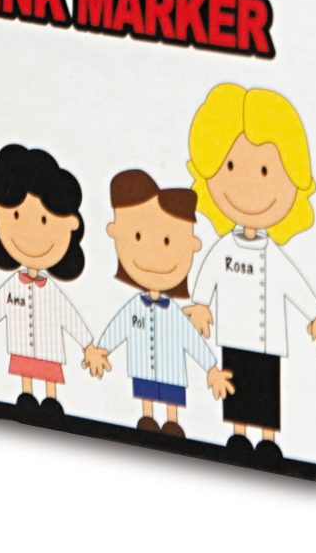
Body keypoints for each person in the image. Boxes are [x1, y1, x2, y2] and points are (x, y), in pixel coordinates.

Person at [185, 83, 316, 468]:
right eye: (230, 167)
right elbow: (207, 276)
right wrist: (200, 305)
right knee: (236, 387)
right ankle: (238, 435)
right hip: (233, 334)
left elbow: (295, 286)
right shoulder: (224, 248)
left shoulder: (273, 255)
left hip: (268, 340)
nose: (248, 186)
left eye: (267, 170)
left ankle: (267, 440)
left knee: (266, 391)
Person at [83, 168, 232, 438]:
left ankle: (172, 422)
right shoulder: (133, 307)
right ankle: (148, 418)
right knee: (147, 395)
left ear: (192, 244)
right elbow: (118, 328)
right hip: (143, 367)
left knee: (171, 397)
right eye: (138, 237)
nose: (153, 252)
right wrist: (101, 348)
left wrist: (211, 368)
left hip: (172, 369)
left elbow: (192, 339)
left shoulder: (174, 312)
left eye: (167, 241)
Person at [0, 142, 94, 423]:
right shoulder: (13, 285)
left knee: (48, 375)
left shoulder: (51, 291)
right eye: (16, 215)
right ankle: (26, 395)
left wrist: (87, 344)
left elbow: (69, 316)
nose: (31, 232)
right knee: (26, 374)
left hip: (49, 348)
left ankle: (51, 399)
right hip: (21, 346)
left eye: (44, 220)